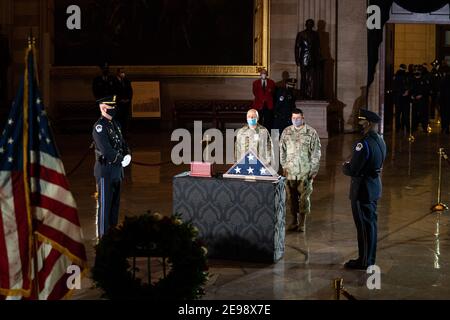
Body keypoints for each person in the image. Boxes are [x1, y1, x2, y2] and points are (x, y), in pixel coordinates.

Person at [342, 109, 386, 269]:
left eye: (361, 122)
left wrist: (345, 167)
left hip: (362, 191)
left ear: (367, 123)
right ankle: (369, 258)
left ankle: (364, 261)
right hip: (374, 187)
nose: (359, 125)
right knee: (371, 226)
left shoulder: (363, 143)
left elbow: (354, 169)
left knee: (364, 227)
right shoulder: (380, 140)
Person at [93, 95, 131, 238]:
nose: (114, 109)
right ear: (103, 108)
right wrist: (120, 159)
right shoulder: (99, 127)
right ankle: (103, 237)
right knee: (105, 206)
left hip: (116, 171)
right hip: (106, 170)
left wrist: (127, 154)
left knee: (115, 205)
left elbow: (122, 142)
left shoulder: (115, 124)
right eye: (111, 107)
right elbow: (106, 149)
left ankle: (112, 234)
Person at [280, 108, 321, 232]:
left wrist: (313, 170)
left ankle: (302, 223)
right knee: (291, 198)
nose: (295, 120)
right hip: (290, 172)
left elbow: (316, 152)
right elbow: (282, 151)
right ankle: (293, 221)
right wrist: (284, 166)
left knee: (304, 198)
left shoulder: (311, 132)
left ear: (303, 118)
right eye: (293, 118)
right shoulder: (286, 132)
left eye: (298, 118)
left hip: (305, 172)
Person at [295, 19, 321, 100]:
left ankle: (312, 94)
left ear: (313, 25)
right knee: (303, 77)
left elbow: (318, 48)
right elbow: (297, 47)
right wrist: (297, 59)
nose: (309, 25)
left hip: (313, 59)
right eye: (308, 24)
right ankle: (303, 94)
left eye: (311, 24)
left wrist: (319, 58)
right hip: (303, 58)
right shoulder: (301, 34)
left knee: (312, 78)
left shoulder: (316, 34)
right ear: (306, 25)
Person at [410, 65, 431, 133]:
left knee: (423, 114)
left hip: (422, 100)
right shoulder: (412, 80)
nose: (416, 72)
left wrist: (421, 95)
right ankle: (414, 127)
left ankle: (424, 128)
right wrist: (411, 95)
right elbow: (410, 89)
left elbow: (427, 90)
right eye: (415, 70)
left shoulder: (424, 80)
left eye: (418, 70)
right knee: (414, 114)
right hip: (414, 100)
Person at [113, 68, 133, 137]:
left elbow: (130, 91)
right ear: (118, 73)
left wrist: (128, 99)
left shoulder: (126, 81)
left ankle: (124, 134)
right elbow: (113, 93)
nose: (123, 73)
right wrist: (118, 100)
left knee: (125, 120)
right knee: (118, 119)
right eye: (121, 72)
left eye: (123, 72)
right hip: (118, 104)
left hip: (126, 104)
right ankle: (118, 134)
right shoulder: (114, 81)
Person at [392, 64, 410, 132]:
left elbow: (394, 87)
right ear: (405, 68)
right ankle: (404, 127)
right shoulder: (406, 75)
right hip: (404, 97)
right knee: (405, 113)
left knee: (398, 114)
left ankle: (397, 128)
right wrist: (406, 92)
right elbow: (407, 85)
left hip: (398, 97)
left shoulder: (395, 76)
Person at [439, 65, 450, 134]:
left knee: (444, 115)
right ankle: (446, 128)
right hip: (447, 100)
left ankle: (444, 128)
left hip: (443, 100)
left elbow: (440, 91)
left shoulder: (442, 80)